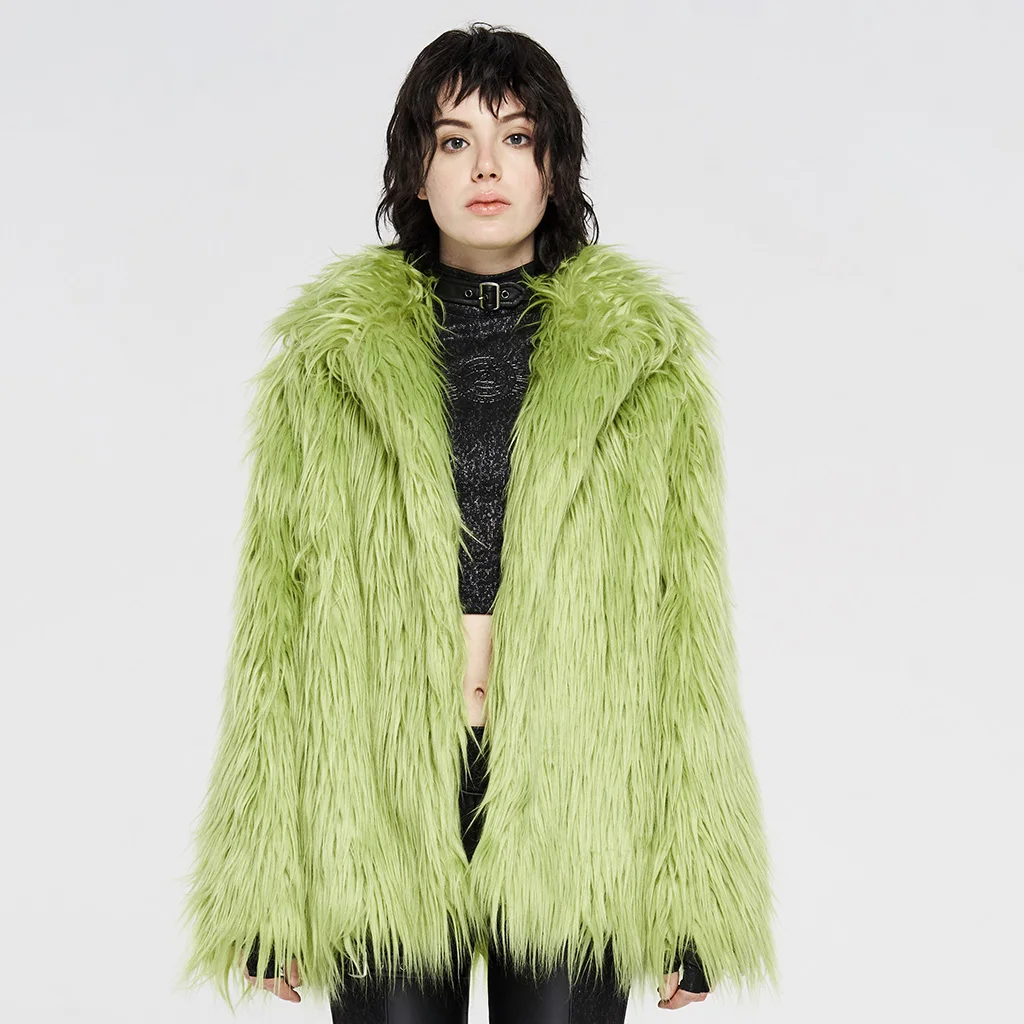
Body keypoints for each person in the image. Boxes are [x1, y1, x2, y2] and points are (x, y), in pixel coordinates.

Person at [179, 22, 778, 1022]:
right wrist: (262, 882)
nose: (487, 166)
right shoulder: (329, 362)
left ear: (556, 166)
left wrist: (697, 889)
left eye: (517, 136)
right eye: (455, 139)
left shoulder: (643, 366)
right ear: (416, 169)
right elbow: (273, 630)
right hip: (373, 787)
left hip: (581, 788)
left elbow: (690, 635)